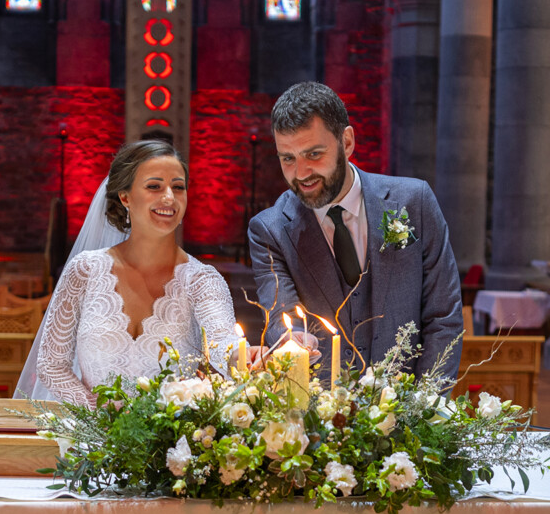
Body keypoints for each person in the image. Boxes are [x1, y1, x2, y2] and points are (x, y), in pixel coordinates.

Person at [248, 81, 464, 381]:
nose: (301, 173)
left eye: (314, 154)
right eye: (288, 158)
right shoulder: (269, 230)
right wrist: (293, 341)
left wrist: (423, 410)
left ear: (346, 142)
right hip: (321, 417)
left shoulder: (415, 202)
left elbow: (444, 318)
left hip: (410, 412)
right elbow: (280, 315)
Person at [25, 140, 238, 406]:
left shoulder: (202, 280)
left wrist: (243, 356)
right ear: (125, 197)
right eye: (154, 186)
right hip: (90, 437)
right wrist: (97, 411)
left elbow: (224, 347)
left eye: (178, 187)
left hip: (170, 443)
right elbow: (52, 365)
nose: (169, 197)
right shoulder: (85, 271)